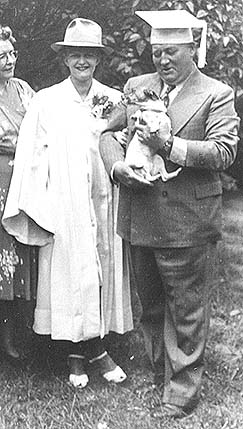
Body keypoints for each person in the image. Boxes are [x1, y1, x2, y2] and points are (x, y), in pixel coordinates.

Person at [99, 10, 239, 418]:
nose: (163, 61)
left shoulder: (216, 93)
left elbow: (224, 153)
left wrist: (168, 145)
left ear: (192, 50)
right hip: (140, 216)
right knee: (152, 304)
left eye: (172, 52)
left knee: (187, 309)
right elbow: (108, 133)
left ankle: (181, 393)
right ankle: (162, 370)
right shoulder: (137, 87)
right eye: (157, 52)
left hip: (187, 222)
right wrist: (117, 167)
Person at [2, 18, 133, 387]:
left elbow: (121, 147)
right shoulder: (46, 101)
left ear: (97, 59)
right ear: (65, 58)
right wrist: (39, 207)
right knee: (70, 274)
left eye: (89, 54)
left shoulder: (112, 100)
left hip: (102, 199)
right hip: (63, 202)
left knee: (100, 271)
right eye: (75, 54)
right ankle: (80, 354)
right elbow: (30, 157)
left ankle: (95, 347)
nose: (82, 61)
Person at [0, 25, 36, 360]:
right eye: (1, 57)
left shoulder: (24, 88)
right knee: (3, 255)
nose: (9, 61)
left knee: (21, 251)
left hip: (23, 179)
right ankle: (6, 340)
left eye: (12, 54)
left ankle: (21, 333)